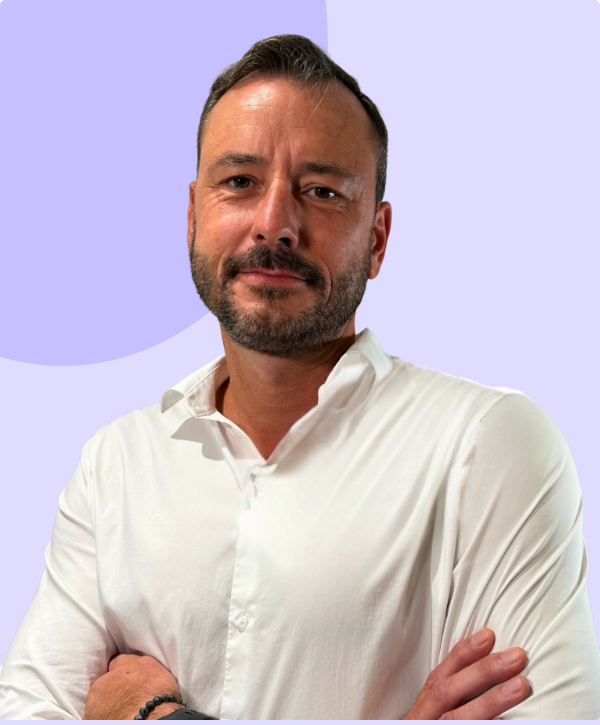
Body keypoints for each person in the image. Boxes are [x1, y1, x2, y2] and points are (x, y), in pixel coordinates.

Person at [1, 34, 599, 720]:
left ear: (376, 240)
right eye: (239, 182)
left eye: (321, 191)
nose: (275, 223)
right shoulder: (115, 464)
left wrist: (152, 714)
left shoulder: (489, 445)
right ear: (193, 217)